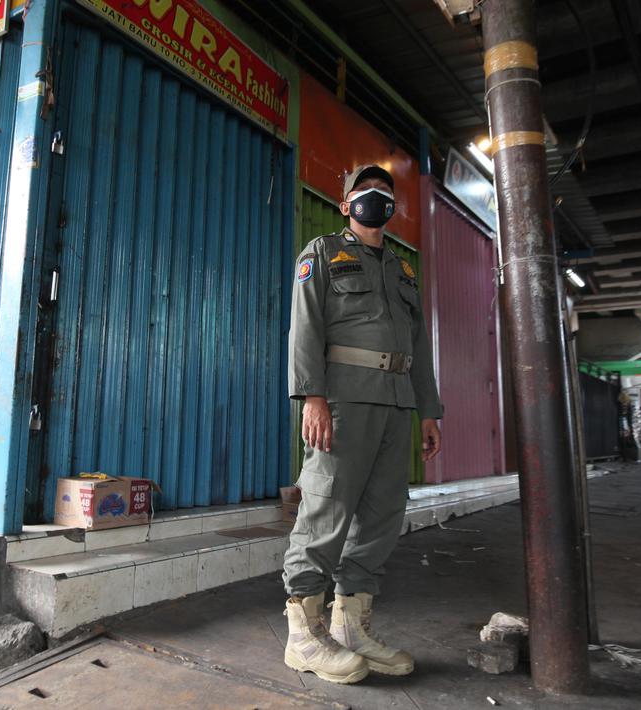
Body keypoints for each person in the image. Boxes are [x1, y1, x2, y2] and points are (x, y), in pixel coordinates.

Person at [281, 164, 443, 684]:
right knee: (326, 509)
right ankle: (304, 636)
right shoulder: (324, 253)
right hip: (344, 402)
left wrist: (428, 411)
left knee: (381, 516)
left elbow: (418, 346)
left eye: (385, 192)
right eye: (365, 191)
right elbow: (305, 327)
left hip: (396, 404)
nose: (377, 197)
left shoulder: (402, 270)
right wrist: (312, 397)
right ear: (345, 204)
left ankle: (350, 628)